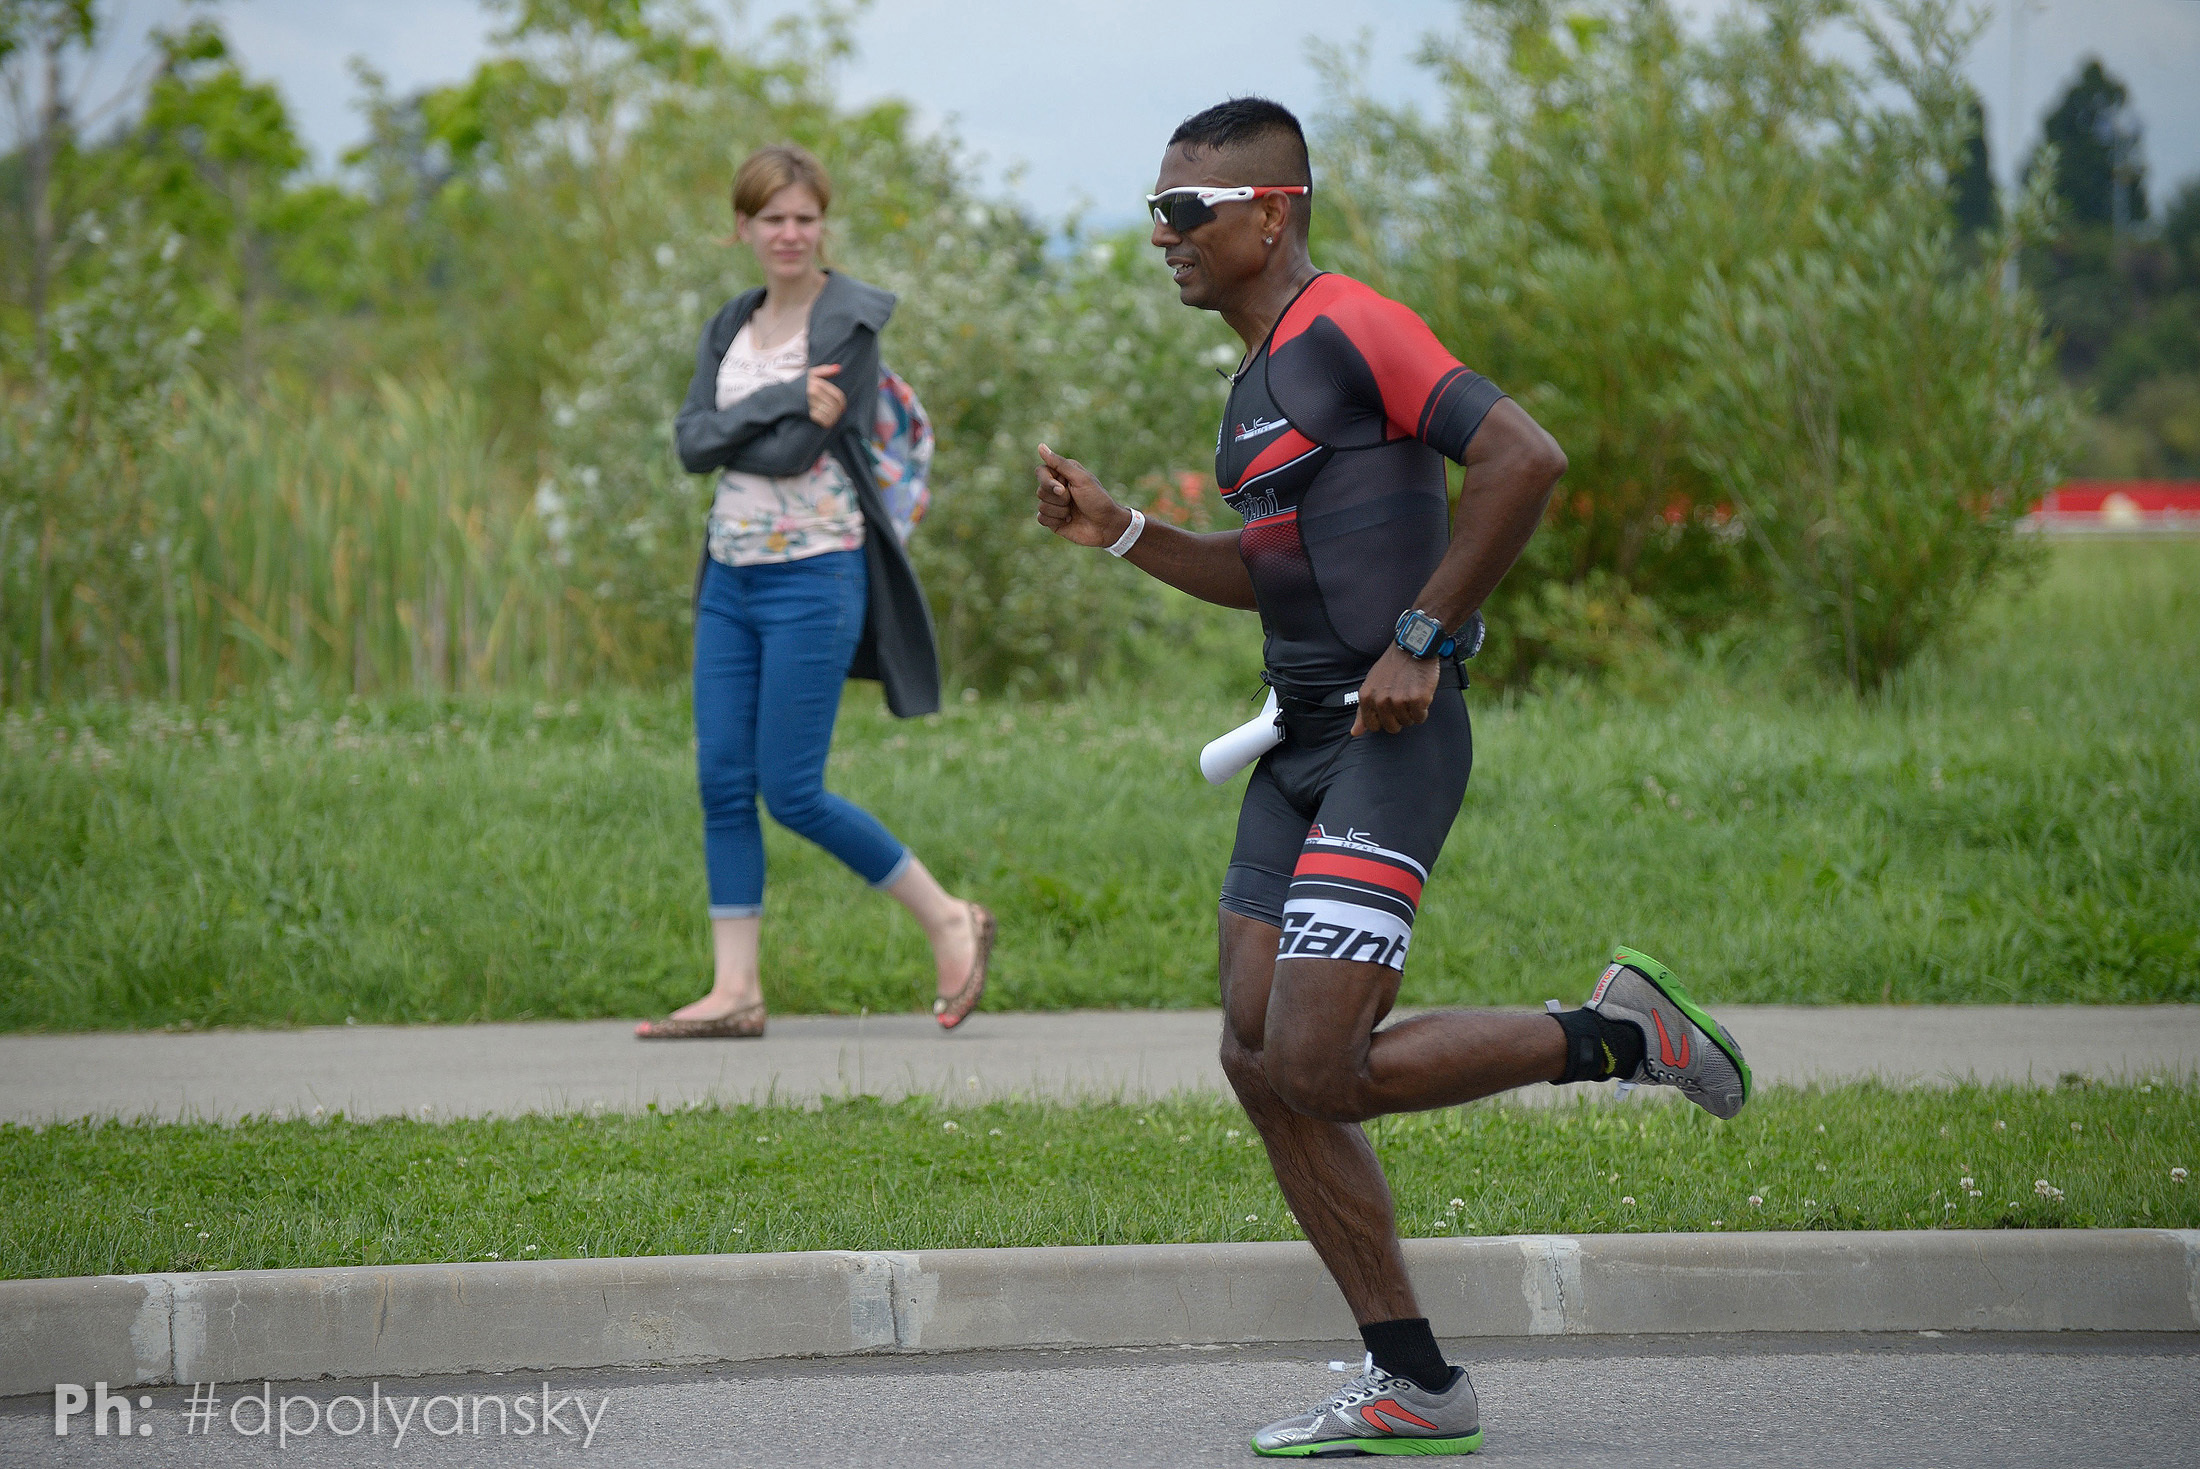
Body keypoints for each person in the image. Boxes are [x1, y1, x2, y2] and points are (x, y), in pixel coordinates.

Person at [1034, 98, 1750, 1457]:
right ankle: (1413, 1379)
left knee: (1320, 1059)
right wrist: (1121, 531)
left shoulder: (1354, 323)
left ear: (1272, 211)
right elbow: (1274, 571)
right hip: (1295, 742)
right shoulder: (1256, 381)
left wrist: (1425, 634)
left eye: (1186, 212)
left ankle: (1618, 1035)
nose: (1162, 236)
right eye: (1154, 210)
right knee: (1256, 1055)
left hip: (1389, 739)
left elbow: (1521, 456)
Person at [637, 143, 993, 1041]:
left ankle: (950, 917)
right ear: (743, 229)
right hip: (729, 575)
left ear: (822, 224)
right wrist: (784, 397)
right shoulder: (731, 321)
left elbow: (793, 455)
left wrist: (746, 425)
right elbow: (689, 446)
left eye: (803, 217)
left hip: (816, 572)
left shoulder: (851, 321)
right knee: (722, 781)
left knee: (790, 789)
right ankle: (736, 992)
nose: (788, 233)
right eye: (771, 219)